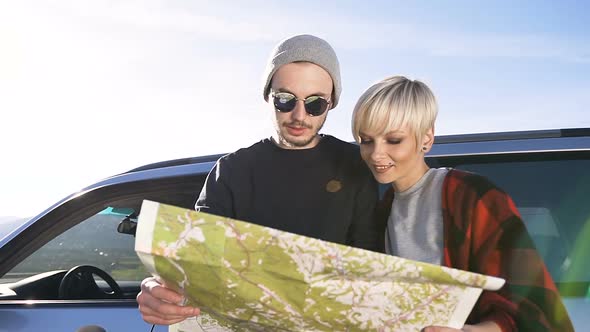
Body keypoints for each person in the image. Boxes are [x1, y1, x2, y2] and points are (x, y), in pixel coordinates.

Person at [137, 34, 382, 327]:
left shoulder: (359, 166)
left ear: (332, 103)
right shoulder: (231, 171)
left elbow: (374, 268)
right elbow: (197, 265)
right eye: (285, 100)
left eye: (315, 104)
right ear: (268, 95)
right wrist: (159, 292)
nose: (299, 115)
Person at [351, 75, 574, 331]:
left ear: (426, 138)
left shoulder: (471, 195)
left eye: (394, 140)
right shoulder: (380, 212)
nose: (376, 153)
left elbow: (529, 302)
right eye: (367, 140)